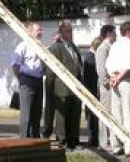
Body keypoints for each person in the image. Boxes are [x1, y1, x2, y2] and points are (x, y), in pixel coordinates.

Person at [46, 22, 82, 150]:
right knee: (62, 116)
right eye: (68, 31)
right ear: (61, 33)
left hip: (75, 87)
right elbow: (51, 70)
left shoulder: (73, 46)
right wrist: (50, 87)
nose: (71, 34)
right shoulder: (56, 48)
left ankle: (73, 140)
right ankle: (62, 140)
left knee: (74, 114)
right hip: (61, 88)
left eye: (71, 31)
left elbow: (78, 64)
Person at [107, 21, 130, 156]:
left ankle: (116, 145)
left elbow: (109, 64)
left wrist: (113, 78)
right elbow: (129, 65)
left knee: (116, 114)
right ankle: (128, 146)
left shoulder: (115, 45)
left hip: (114, 80)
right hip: (126, 80)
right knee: (129, 113)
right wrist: (119, 78)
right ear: (128, 31)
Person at [12, 23, 46, 139]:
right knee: (26, 113)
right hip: (27, 80)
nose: (40, 33)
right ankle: (24, 139)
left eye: (41, 30)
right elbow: (15, 66)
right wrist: (21, 79)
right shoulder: (23, 46)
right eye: (38, 30)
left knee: (37, 111)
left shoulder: (42, 46)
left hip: (39, 80)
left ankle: (35, 137)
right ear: (30, 32)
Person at [94, 24, 116, 149]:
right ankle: (103, 142)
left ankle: (112, 140)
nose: (116, 35)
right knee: (105, 113)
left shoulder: (111, 47)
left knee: (112, 113)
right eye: (114, 33)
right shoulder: (103, 48)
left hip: (112, 85)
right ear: (108, 34)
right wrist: (106, 83)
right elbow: (101, 69)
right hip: (107, 87)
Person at [82, 37, 102, 147]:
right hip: (92, 91)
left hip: (92, 90)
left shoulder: (90, 56)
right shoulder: (90, 57)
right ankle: (93, 138)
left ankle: (94, 138)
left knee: (93, 117)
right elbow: (89, 77)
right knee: (92, 117)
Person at [42, 28, 61, 139]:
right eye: (56, 39)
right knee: (49, 108)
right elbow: (43, 65)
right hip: (50, 80)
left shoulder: (63, 49)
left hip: (60, 81)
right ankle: (46, 132)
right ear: (52, 38)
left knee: (59, 109)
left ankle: (59, 134)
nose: (57, 42)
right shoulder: (48, 49)